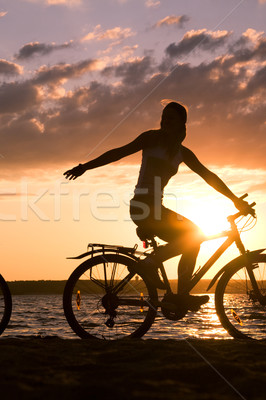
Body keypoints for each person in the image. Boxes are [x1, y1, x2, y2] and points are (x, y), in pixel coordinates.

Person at [64, 101, 251, 311]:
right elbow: (118, 152)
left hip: (156, 208)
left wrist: (235, 199)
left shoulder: (182, 153)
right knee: (195, 235)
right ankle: (151, 265)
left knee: (194, 239)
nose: (165, 121)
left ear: (182, 123)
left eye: (170, 117)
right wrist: (84, 167)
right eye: (163, 117)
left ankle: (180, 295)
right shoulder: (151, 139)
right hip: (142, 206)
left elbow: (209, 176)